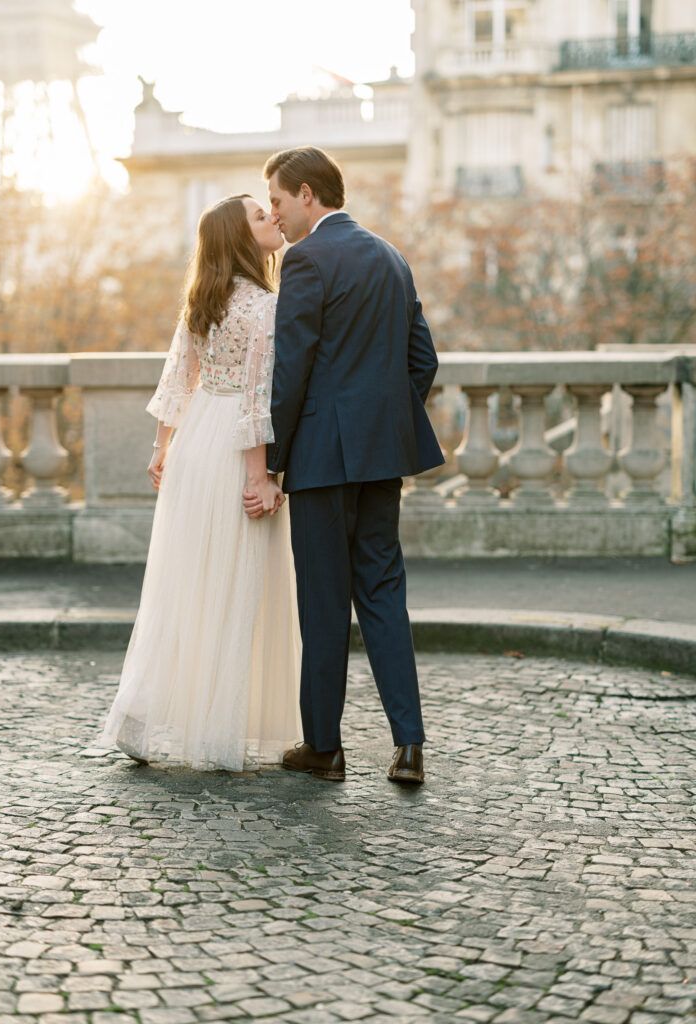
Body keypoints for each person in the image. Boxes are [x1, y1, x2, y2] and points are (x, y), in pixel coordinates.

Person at [244, 147, 444, 785]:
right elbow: (423, 359)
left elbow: (292, 368)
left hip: (324, 459)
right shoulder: (392, 256)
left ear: (307, 194)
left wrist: (274, 462)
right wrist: (385, 419)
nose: (274, 215)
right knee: (384, 594)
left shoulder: (307, 259)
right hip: (383, 455)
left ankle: (324, 747)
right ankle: (408, 746)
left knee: (325, 602)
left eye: (276, 201)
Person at [96, 195, 302, 771]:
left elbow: (178, 379)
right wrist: (260, 477)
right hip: (235, 447)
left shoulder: (201, 299)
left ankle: (139, 718)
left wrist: (162, 448)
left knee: (182, 582)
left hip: (195, 443)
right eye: (261, 217)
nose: (272, 220)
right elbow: (259, 399)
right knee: (233, 584)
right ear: (241, 239)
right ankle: (216, 731)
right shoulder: (265, 306)